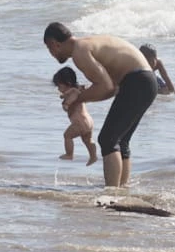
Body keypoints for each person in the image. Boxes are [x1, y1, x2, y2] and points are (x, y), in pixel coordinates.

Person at [43, 22, 157, 187]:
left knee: (107, 140)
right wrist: (79, 94)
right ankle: (121, 191)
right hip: (145, 80)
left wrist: (77, 98)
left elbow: (106, 88)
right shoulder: (86, 44)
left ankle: (111, 194)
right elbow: (109, 87)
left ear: (55, 44)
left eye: (49, 49)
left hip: (137, 80)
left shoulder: (79, 51)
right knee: (120, 140)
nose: (51, 53)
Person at [52, 67, 98, 165]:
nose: (58, 89)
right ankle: (93, 156)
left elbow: (72, 98)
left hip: (79, 122)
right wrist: (64, 96)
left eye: (59, 86)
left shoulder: (73, 92)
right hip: (88, 121)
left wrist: (66, 105)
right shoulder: (77, 90)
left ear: (67, 83)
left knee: (67, 136)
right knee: (87, 140)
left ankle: (69, 154)